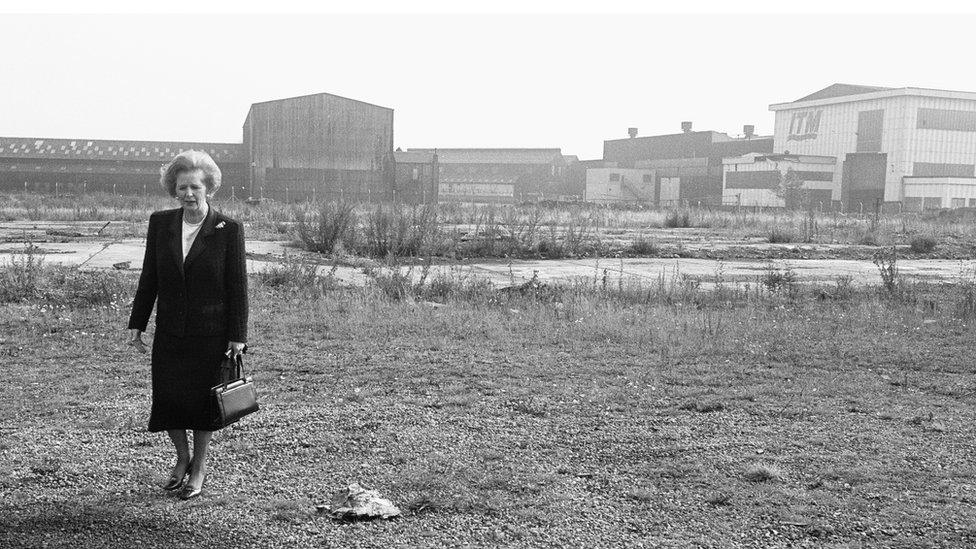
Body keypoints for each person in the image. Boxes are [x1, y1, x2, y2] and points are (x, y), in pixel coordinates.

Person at [127, 150, 248, 501]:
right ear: (173, 189)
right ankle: (182, 457)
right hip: (171, 329)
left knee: (201, 402)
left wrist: (237, 336)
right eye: (181, 187)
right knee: (169, 398)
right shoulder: (160, 223)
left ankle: (199, 467)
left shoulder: (228, 229)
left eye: (195, 186)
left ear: (208, 187)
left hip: (210, 332)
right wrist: (138, 322)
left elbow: (237, 285)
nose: (188, 194)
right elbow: (150, 277)